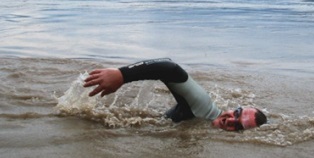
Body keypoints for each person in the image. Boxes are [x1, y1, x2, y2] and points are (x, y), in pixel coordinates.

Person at [83, 58, 267, 131]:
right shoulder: (203, 108)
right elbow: (169, 68)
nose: (230, 120)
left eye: (239, 126)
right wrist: (122, 75)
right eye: (236, 113)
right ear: (233, 108)